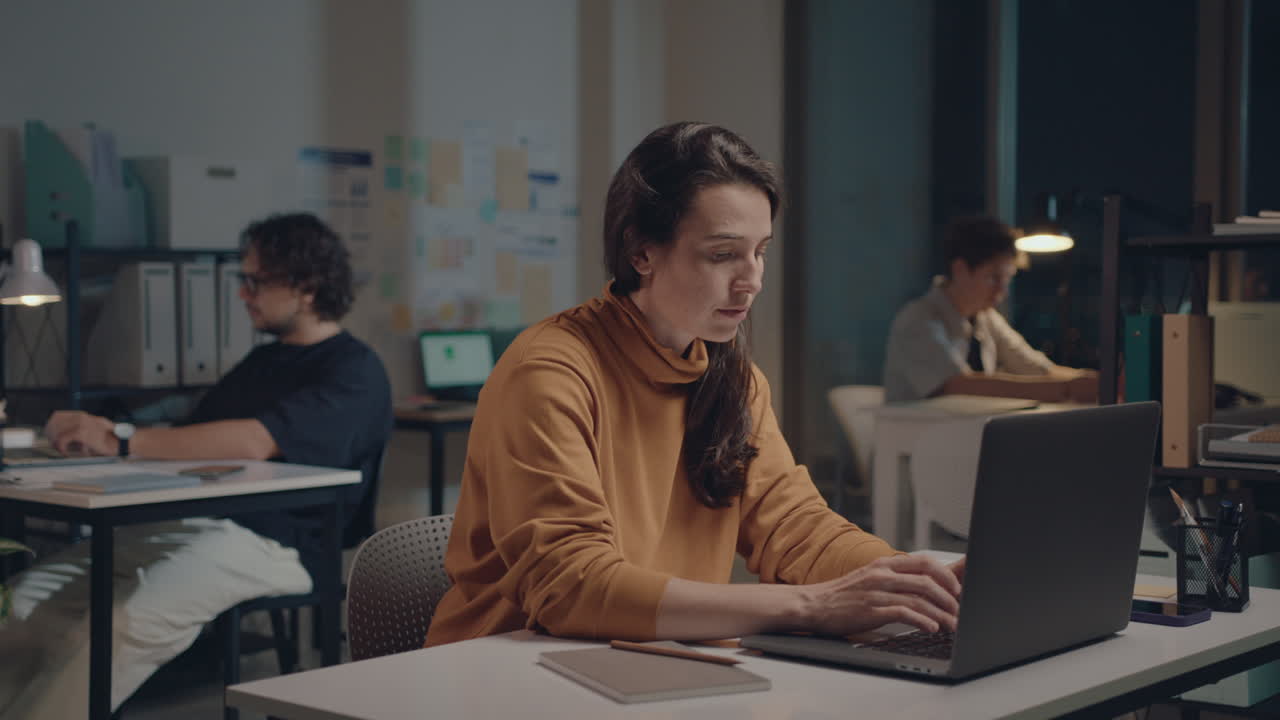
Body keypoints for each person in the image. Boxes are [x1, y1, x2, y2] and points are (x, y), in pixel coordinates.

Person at [425, 122, 963, 649]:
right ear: (641, 253)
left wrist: (916, 582)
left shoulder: (735, 379)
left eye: (761, 251)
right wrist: (813, 606)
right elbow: (571, 587)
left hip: (652, 663)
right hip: (515, 672)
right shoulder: (548, 372)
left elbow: (796, 528)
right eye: (722, 254)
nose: (751, 279)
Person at [0, 212, 392, 720]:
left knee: (124, 621)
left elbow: (254, 440)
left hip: (280, 544)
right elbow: (195, 421)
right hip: (192, 525)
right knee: (21, 604)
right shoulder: (265, 361)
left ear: (307, 287)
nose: (242, 294)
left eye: (255, 281)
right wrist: (104, 426)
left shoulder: (354, 371)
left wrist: (121, 439)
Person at [881, 215, 1099, 404]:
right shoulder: (918, 319)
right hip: (912, 443)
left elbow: (1035, 367)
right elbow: (958, 384)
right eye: (993, 278)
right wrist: (1067, 389)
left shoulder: (985, 318)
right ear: (960, 269)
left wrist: (1093, 381)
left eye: (1007, 279)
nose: (1001, 291)